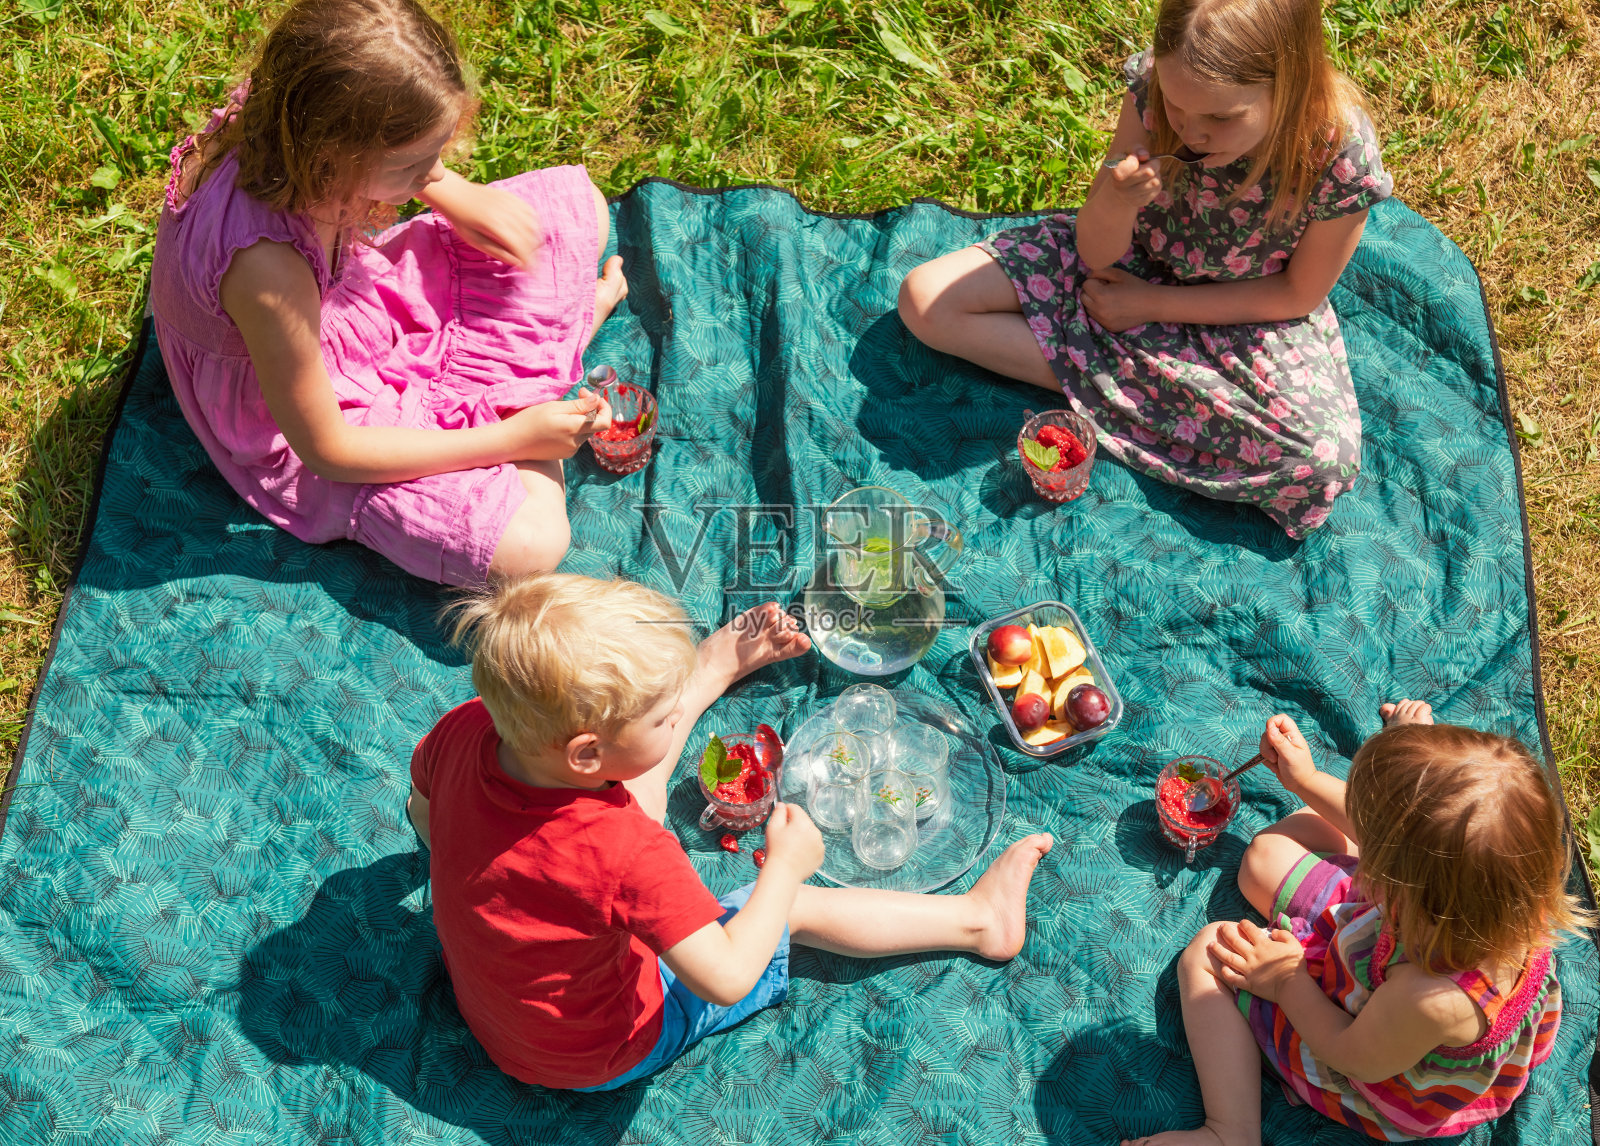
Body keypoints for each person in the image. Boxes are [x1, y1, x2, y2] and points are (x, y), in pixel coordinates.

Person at [404, 572, 1055, 1090]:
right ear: (584, 755)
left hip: (501, 1014)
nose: (671, 726)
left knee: (625, 811)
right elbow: (726, 976)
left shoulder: (467, 729)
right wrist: (784, 868)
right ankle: (978, 921)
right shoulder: (627, 854)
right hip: (604, 1048)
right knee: (785, 910)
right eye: (664, 718)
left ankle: (711, 669)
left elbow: (426, 821)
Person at [150, 0, 630, 586]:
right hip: (310, 412)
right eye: (414, 165)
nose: (430, 174)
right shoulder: (266, 268)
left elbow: (422, 179)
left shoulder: (296, 104)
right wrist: (513, 437)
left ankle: (538, 367)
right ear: (337, 156)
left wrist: (452, 193)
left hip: (349, 301)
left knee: (580, 215)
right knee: (533, 545)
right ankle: (540, 374)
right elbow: (330, 451)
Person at [898, 0, 1392, 538]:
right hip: (1129, 265)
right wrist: (1115, 199)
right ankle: (1144, 391)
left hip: (1244, 312)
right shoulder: (1157, 94)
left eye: (1220, 118)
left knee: (1324, 461)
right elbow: (1095, 248)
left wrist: (1150, 305)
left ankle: (1101, 381)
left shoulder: (1337, 154)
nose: (1191, 134)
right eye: (1179, 108)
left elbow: (1295, 295)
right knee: (925, 298)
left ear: (1290, 83)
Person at [1125, 700, 1583, 1146]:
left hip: (1367, 1051)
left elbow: (1350, 1054)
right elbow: (1429, 836)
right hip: (1378, 940)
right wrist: (1308, 780)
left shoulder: (1433, 999)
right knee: (1264, 856)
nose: (1364, 845)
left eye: (1380, 848)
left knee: (1210, 951)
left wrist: (1285, 981)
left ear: (1408, 889)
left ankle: (1229, 1130)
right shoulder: (1503, 892)